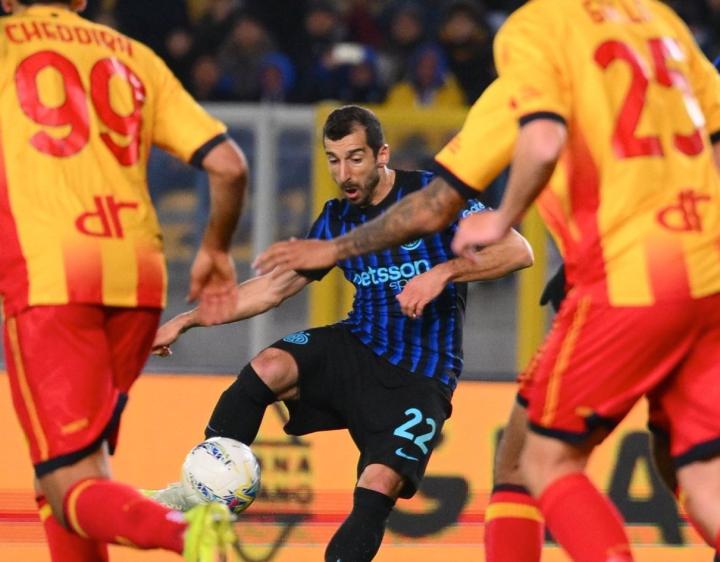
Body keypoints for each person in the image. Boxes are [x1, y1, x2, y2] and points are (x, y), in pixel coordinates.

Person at [253, 6, 720, 561]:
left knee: (540, 460)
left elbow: (530, 147)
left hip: (629, 278)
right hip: (706, 269)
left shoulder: (538, 32)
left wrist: (501, 218)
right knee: (697, 466)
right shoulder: (658, 20)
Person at [150, 105, 533, 562]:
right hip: (359, 344)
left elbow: (518, 250)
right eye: (333, 160)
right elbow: (271, 289)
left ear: (381, 155)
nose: (344, 173)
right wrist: (186, 320)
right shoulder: (336, 219)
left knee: (378, 484)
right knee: (268, 367)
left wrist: (443, 273)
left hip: (421, 375)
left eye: (355, 158)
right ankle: (199, 496)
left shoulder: (433, 197)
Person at [0, 1, 248, 561]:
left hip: (52, 279)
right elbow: (230, 165)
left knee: (66, 484)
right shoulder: (134, 57)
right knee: (75, 473)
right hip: (138, 280)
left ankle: (187, 531)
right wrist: (214, 248)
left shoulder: (8, 44)